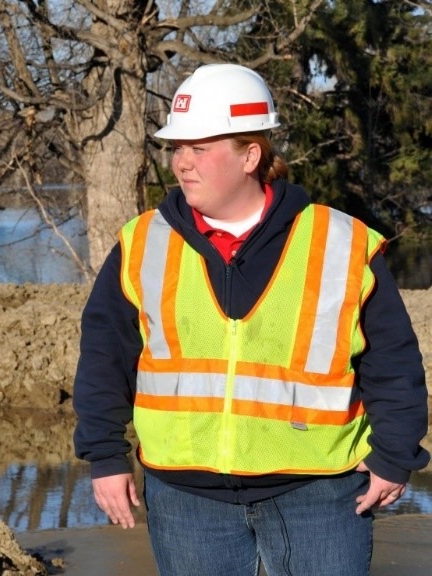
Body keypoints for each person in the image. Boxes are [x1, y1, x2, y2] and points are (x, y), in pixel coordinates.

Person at [72, 63, 429, 576]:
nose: (181, 164)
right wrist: (105, 456)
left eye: (199, 149)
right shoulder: (142, 243)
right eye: (177, 148)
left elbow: (392, 361)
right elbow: (106, 355)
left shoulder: (341, 244)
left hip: (320, 492)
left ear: (251, 155)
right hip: (184, 496)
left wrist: (394, 456)